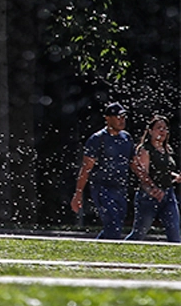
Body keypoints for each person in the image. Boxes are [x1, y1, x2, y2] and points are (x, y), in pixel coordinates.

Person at [70, 102, 135, 239]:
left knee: (116, 225)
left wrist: (149, 182)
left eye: (123, 117)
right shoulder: (97, 139)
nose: (122, 120)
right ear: (107, 118)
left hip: (121, 188)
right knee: (113, 225)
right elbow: (86, 168)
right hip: (102, 187)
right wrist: (78, 193)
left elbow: (134, 164)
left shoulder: (126, 138)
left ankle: (98, 249)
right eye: (118, 117)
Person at [125, 114, 181, 243]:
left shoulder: (166, 149)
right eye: (159, 128)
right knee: (139, 233)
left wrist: (175, 176)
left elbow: (164, 170)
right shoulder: (145, 150)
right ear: (150, 131)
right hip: (149, 195)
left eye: (165, 128)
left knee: (174, 232)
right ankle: (120, 249)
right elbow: (143, 174)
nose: (162, 131)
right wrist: (153, 189)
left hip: (168, 193)